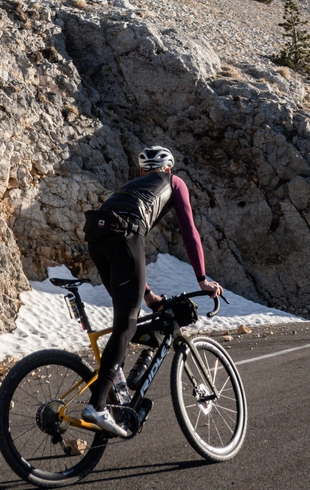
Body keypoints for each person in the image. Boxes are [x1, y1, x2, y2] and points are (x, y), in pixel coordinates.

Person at [81, 146, 222, 437]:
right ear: (168, 169)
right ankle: (97, 406)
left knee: (126, 317)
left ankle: (118, 394)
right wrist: (202, 279)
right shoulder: (174, 182)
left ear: (143, 171)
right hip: (125, 235)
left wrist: (147, 295)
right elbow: (189, 231)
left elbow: (122, 252)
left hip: (96, 234)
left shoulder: (129, 187)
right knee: (126, 324)